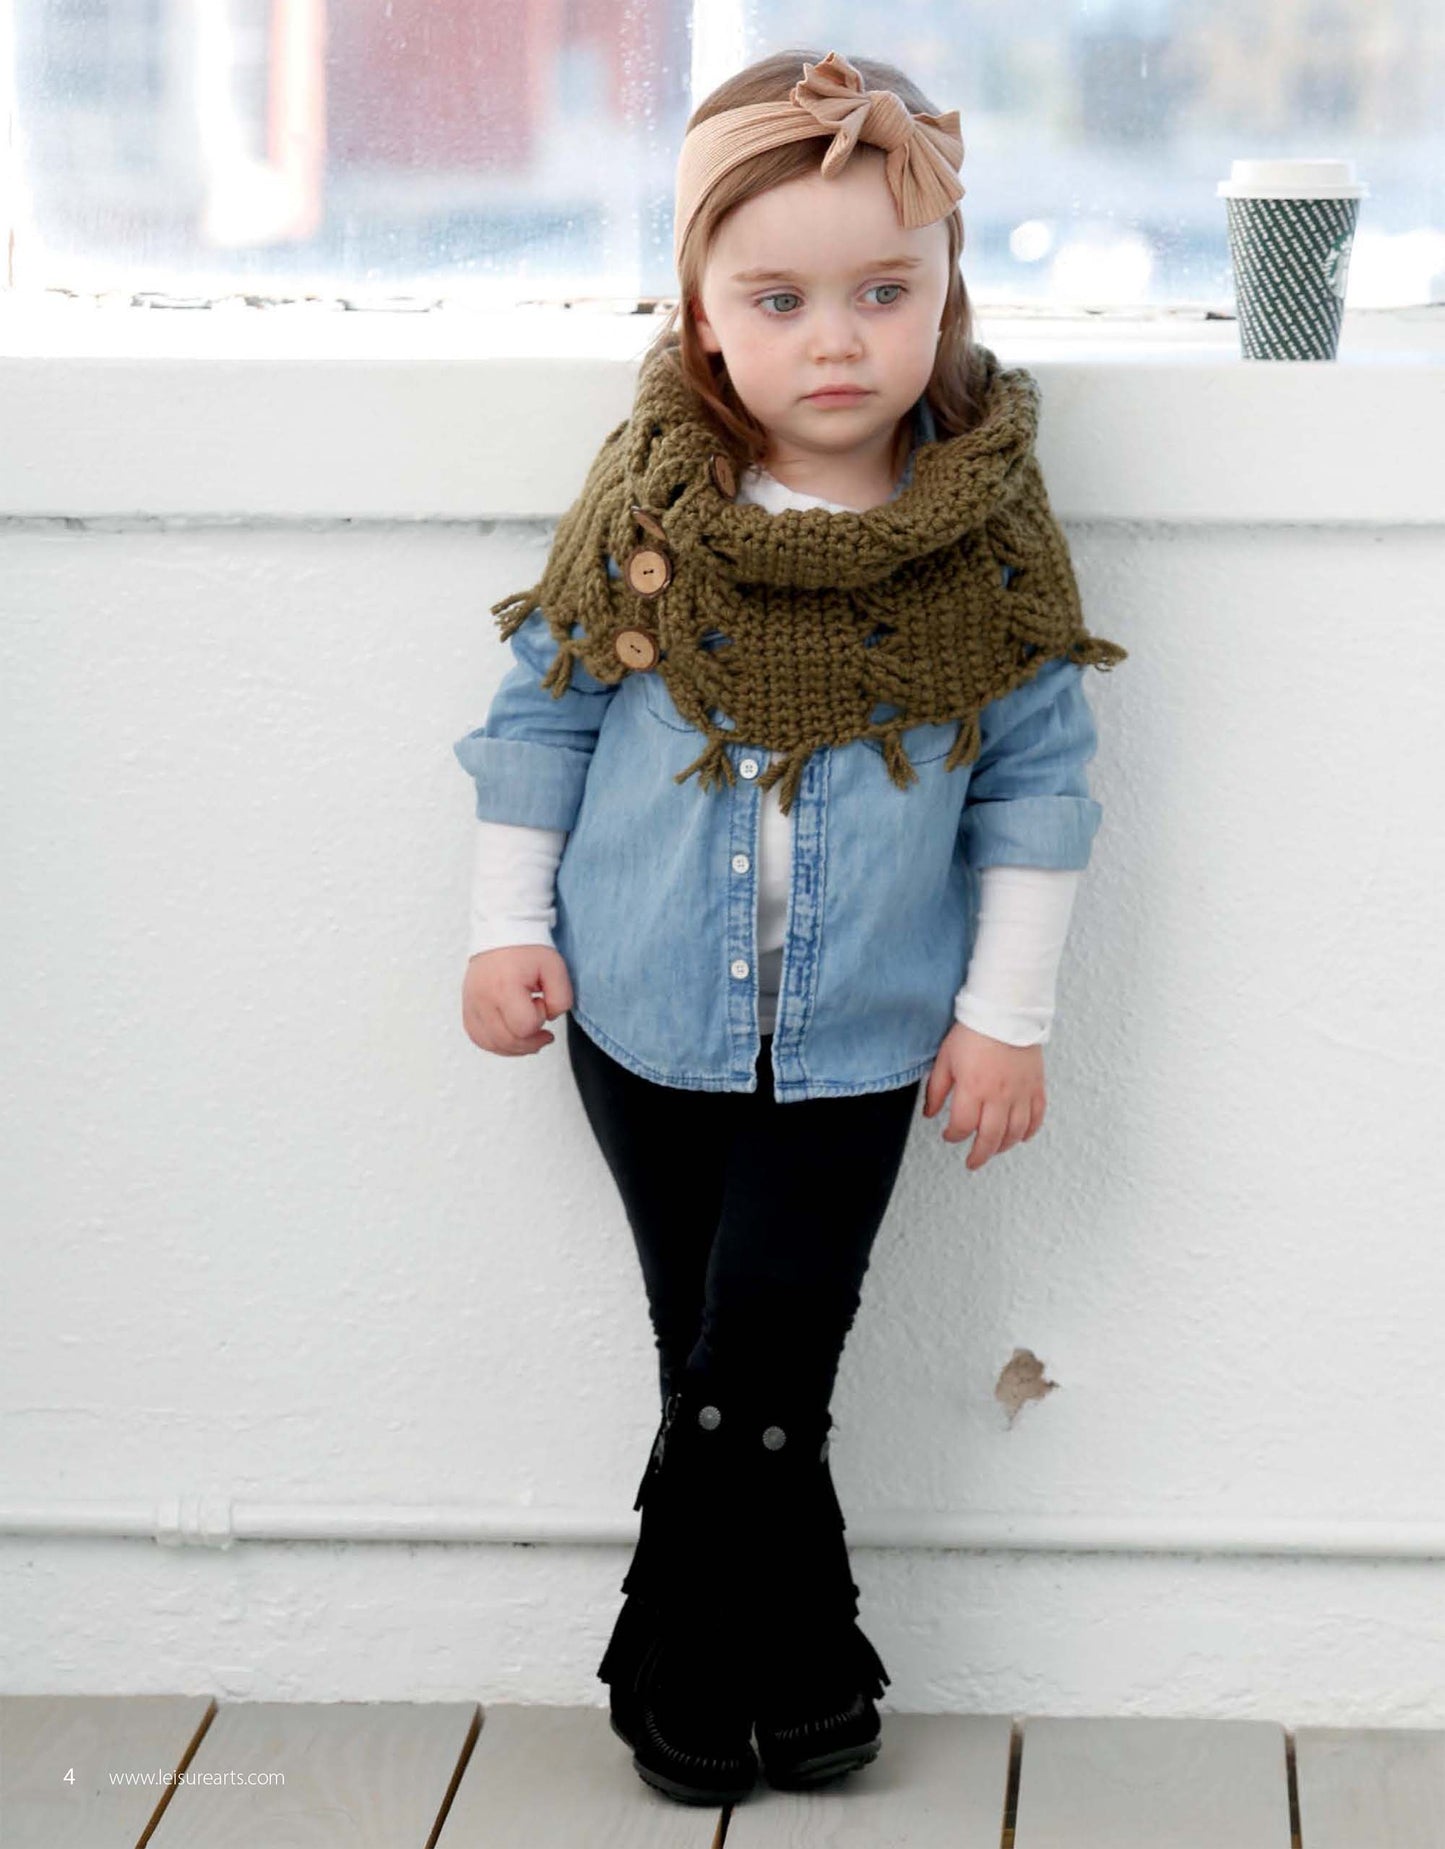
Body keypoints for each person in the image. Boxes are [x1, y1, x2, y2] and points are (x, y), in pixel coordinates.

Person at [453, 47, 1128, 1807]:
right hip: (640, 1003)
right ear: (701, 314)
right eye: (779, 299)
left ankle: (670, 1659)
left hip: (868, 1031)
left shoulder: (983, 534)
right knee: (717, 1348)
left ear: (944, 293)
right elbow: (541, 716)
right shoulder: (651, 503)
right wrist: (501, 925)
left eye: (882, 293)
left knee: (761, 1351)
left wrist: (1007, 1014)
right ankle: (808, 1665)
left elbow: (1037, 785)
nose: (837, 340)